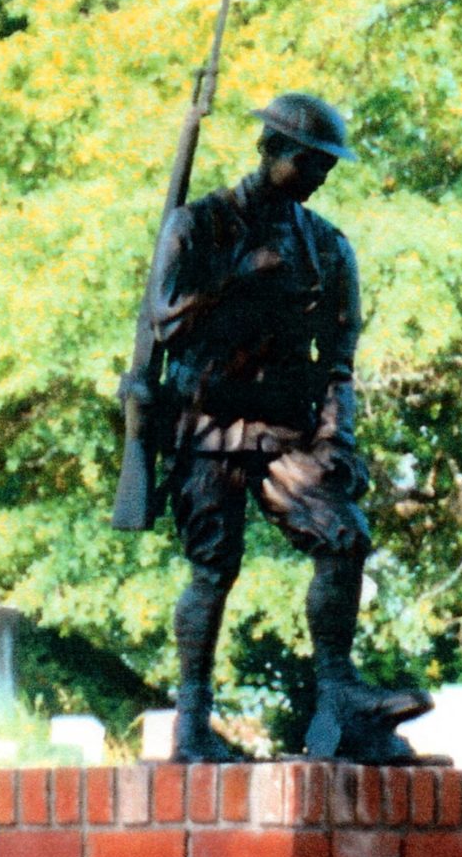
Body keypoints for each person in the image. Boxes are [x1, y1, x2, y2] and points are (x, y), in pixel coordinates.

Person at [145, 91, 430, 764]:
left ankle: (338, 701)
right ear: (272, 149)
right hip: (206, 422)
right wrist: (240, 280)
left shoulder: (328, 248)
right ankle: (190, 726)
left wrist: (338, 439)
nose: (319, 175)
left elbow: (337, 361)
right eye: (310, 161)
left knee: (343, 535)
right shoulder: (198, 225)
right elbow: (169, 323)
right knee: (213, 569)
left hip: (286, 427)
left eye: (326, 166)